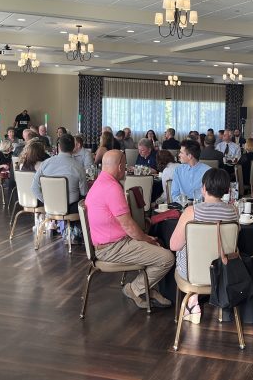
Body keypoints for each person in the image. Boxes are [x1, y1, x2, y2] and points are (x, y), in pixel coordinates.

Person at [86, 150, 174, 309]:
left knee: (154, 246)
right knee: (166, 258)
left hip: (109, 243)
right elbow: (127, 225)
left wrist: (144, 238)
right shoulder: (112, 187)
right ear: (120, 166)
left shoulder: (99, 182)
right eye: (125, 165)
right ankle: (134, 289)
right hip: (112, 248)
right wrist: (146, 238)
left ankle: (147, 288)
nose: (126, 168)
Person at [169, 168, 239, 324]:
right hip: (223, 273)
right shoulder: (233, 212)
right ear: (227, 190)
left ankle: (192, 301)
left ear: (203, 188)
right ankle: (195, 301)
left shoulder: (191, 212)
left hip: (193, 275)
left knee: (184, 250)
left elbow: (173, 245)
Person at [31, 133, 88, 213]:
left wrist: (46, 201)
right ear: (73, 148)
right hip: (71, 208)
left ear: (59, 147)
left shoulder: (45, 163)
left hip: (49, 206)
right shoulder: (78, 167)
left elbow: (34, 188)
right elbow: (84, 192)